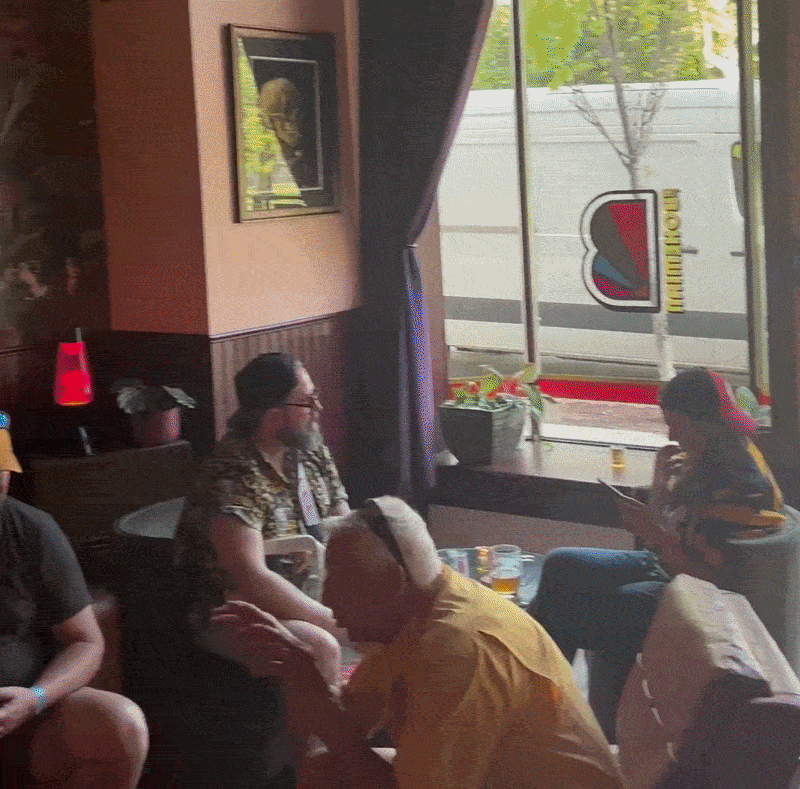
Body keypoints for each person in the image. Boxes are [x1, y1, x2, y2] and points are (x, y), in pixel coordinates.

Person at [209, 496, 624, 789]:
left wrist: (331, 725)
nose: (328, 600)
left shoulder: (456, 650)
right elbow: (349, 718)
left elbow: (341, 732)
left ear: (394, 582)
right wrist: (299, 667)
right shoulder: (418, 610)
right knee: (325, 773)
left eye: (342, 582)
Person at [527, 368, 786, 737]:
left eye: (675, 424)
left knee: (588, 608)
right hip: (671, 563)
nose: (670, 435)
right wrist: (659, 483)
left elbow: (707, 579)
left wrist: (654, 533)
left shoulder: (738, 486)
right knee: (560, 564)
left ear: (702, 423)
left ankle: (559, 715)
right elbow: (670, 527)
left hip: (706, 596)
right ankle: (540, 700)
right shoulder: (703, 458)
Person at [173, 352, 351, 686]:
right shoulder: (235, 473)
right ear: (272, 415)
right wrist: (339, 623)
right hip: (234, 609)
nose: (318, 409)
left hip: (306, 589)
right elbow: (251, 579)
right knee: (319, 645)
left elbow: (345, 527)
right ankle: (321, 738)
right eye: (307, 401)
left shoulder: (308, 448)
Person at [0, 415, 149, 787]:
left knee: (120, 723)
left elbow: (85, 641)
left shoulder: (31, 529)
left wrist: (35, 698)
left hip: (25, 717)